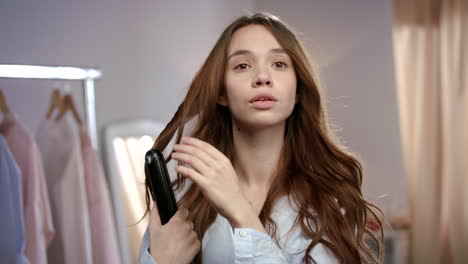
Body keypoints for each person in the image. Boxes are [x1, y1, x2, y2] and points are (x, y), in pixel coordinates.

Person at [137, 12, 383, 264]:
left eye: (279, 64)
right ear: (221, 92)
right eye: (242, 65)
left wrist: (240, 211)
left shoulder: (331, 200)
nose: (263, 77)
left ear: (297, 89)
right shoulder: (184, 204)